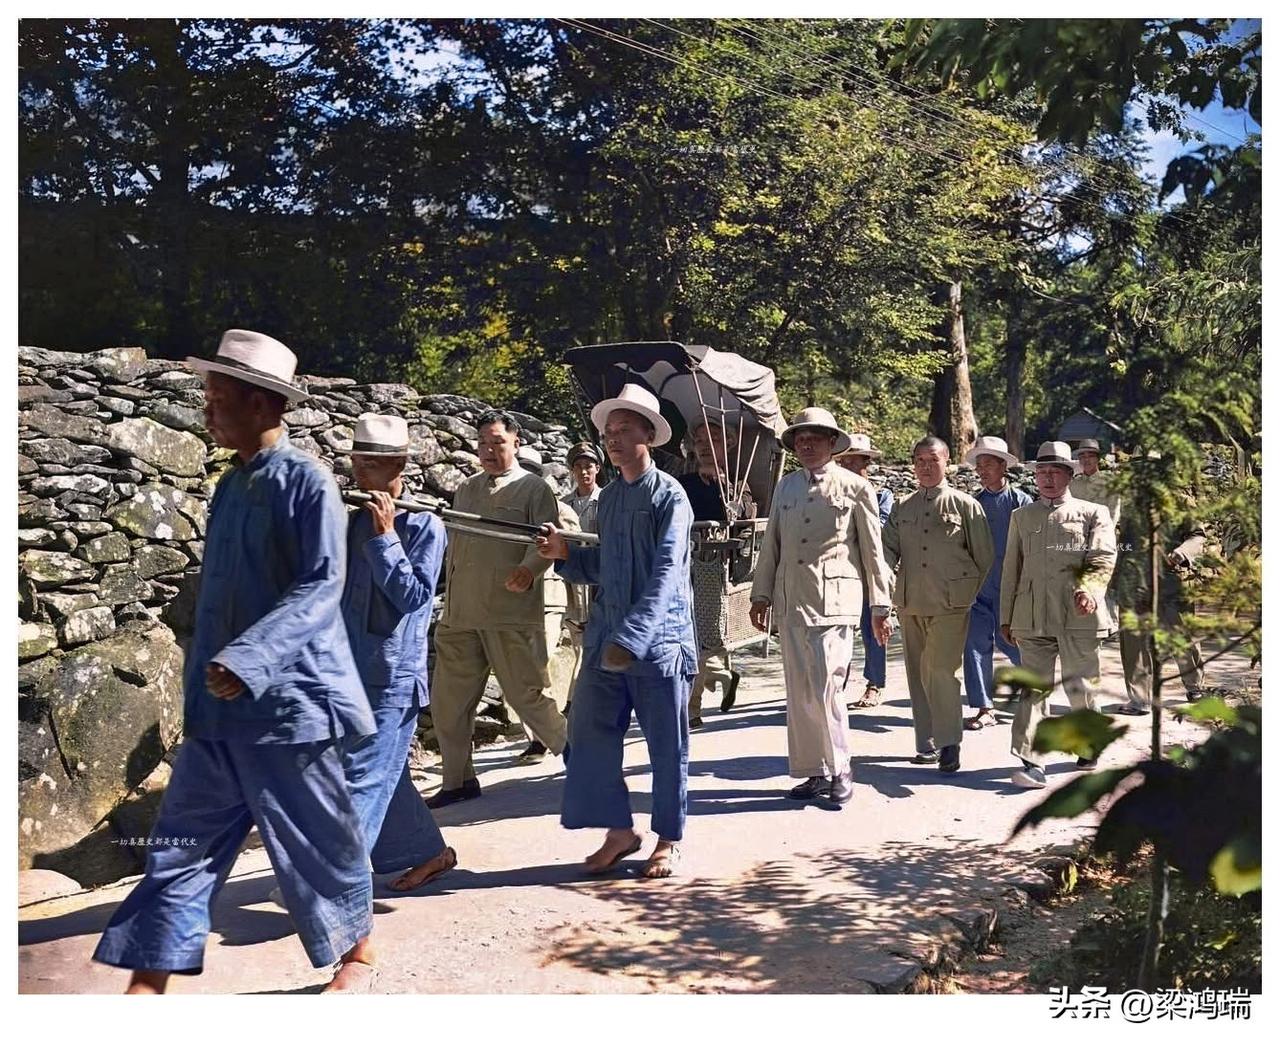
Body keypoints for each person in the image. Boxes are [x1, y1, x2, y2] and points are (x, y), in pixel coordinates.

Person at [93, 330, 379, 993]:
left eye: (217, 397)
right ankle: (149, 976)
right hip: (218, 713)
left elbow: (320, 582)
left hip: (286, 708)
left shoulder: (307, 482)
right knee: (179, 843)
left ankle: (359, 950)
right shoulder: (231, 486)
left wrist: (251, 659)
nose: (206, 409)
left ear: (258, 403)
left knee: (318, 842)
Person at [536, 383, 698, 878]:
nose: (614, 440)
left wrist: (635, 636)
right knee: (585, 737)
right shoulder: (607, 499)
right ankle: (620, 832)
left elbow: (667, 574)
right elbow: (610, 565)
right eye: (609, 432)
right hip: (607, 640)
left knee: (666, 746)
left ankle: (668, 838)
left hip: (660, 644)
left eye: (625, 430)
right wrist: (568, 557)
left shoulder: (670, 496)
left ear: (650, 436)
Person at [749, 408, 893, 806]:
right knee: (800, 692)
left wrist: (881, 606)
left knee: (828, 686)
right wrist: (760, 595)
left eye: (815, 437)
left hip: (836, 602)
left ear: (833, 443)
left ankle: (841, 767)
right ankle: (814, 771)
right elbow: (771, 545)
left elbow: (873, 552)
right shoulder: (786, 487)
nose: (807, 444)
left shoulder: (855, 487)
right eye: (800, 439)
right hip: (792, 599)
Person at [427, 410, 569, 807]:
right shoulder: (467, 489)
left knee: (528, 697)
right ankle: (457, 780)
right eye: (483, 443)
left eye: (498, 443)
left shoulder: (533, 489)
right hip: (459, 615)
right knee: (448, 703)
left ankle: (583, 762)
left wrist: (528, 570)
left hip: (508, 613)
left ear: (516, 443)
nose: (489, 450)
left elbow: (546, 542)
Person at [341, 414, 457, 890]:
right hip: (348, 669)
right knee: (383, 770)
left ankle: (333, 883)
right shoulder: (351, 521)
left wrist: (386, 537)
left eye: (370, 464)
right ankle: (428, 852)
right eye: (357, 462)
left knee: (364, 774)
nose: (358, 473)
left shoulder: (425, 525)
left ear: (398, 466)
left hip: (392, 676)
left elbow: (413, 597)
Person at [1000, 441, 1117, 789]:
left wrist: (1091, 591)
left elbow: (1102, 557)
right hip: (1032, 614)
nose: (1048, 478)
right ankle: (1031, 761)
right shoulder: (1021, 516)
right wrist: (1007, 617)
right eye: (1042, 472)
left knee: (1080, 687)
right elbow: (1011, 568)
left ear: (1069, 475)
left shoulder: (1094, 512)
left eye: (1055, 472)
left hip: (1078, 614)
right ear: (1035, 476)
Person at [882, 436, 994, 773]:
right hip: (911, 601)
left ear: (947, 463)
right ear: (913, 465)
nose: (926, 467)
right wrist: (885, 584)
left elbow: (984, 557)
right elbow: (887, 550)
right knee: (918, 674)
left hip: (950, 605)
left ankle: (949, 742)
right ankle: (926, 743)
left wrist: (964, 592)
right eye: (920, 461)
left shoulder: (965, 505)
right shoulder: (903, 507)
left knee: (939, 670)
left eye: (933, 460)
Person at [678, 417, 756, 726]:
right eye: (700, 441)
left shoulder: (736, 487)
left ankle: (692, 706)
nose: (706, 447)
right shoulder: (682, 484)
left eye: (715, 440)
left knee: (703, 637)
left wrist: (723, 487)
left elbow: (745, 520)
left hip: (714, 566)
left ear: (729, 446)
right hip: (682, 563)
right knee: (687, 636)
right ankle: (718, 679)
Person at [509, 445, 581, 763]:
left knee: (538, 664)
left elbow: (576, 540)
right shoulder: (504, 503)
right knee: (520, 669)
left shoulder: (554, 506)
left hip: (548, 597)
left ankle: (546, 737)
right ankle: (541, 735)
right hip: (512, 597)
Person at [960, 435, 1032, 730]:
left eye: (989, 464)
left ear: (1003, 466)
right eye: (980, 465)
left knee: (1016, 645)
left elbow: (1030, 547)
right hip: (979, 589)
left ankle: (1034, 698)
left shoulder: (1020, 501)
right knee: (974, 646)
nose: (983, 470)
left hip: (1011, 589)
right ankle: (983, 707)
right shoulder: (973, 504)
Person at [1113, 501, 1208, 715]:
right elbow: (1123, 544)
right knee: (1133, 641)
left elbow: (1198, 535)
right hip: (1133, 581)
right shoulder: (1129, 505)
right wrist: (1114, 581)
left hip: (1170, 581)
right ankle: (1140, 699)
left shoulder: (1180, 501)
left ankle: (1194, 686)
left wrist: (1182, 553)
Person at [834, 433, 895, 708]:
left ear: (865, 462)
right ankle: (835, 684)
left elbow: (876, 531)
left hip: (871, 572)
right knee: (838, 630)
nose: (847, 465)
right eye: (843, 460)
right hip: (841, 570)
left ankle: (875, 683)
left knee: (873, 629)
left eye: (853, 460)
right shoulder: (833, 493)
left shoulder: (881, 496)